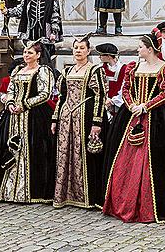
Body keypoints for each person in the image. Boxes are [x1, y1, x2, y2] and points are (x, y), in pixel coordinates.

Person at [103, 33, 165, 223]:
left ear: (150, 48)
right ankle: (124, 201)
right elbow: (126, 89)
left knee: (160, 159)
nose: (138, 50)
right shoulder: (133, 67)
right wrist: (131, 106)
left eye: (140, 47)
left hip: (159, 117)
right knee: (122, 158)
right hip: (132, 115)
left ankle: (151, 205)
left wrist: (145, 106)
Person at [0, 40, 56, 204]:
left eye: (30, 53)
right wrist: (10, 103)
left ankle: (32, 192)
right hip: (13, 116)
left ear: (38, 55)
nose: (26, 55)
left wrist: (24, 105)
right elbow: (10, 90)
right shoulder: (17, 70)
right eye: (25, 52)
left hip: (34, 116)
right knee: (8, 146)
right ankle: (8, 191)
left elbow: (45, 93)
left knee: (36, 149)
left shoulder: (43, 71)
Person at [52, 35, 108, 209]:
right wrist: (55, 118)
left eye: (82, 48)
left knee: (83, 155)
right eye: (76, 48)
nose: (78, 51)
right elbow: (61, 97)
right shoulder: (67, 71)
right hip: (66, 118)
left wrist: (96, 122)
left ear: (88, 50)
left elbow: (100, 96)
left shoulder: (94, 70)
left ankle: (86, 196)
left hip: (85, 117)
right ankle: (66, 195)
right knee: (65, 155)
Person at [98, 43, 126, 116]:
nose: (99, 57)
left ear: (109, 56)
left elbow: (125, 88)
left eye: (101, 55)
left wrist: (112, 101)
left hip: (118, 107)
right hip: (103, 106)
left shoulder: (124, 69)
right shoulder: (100, 68)